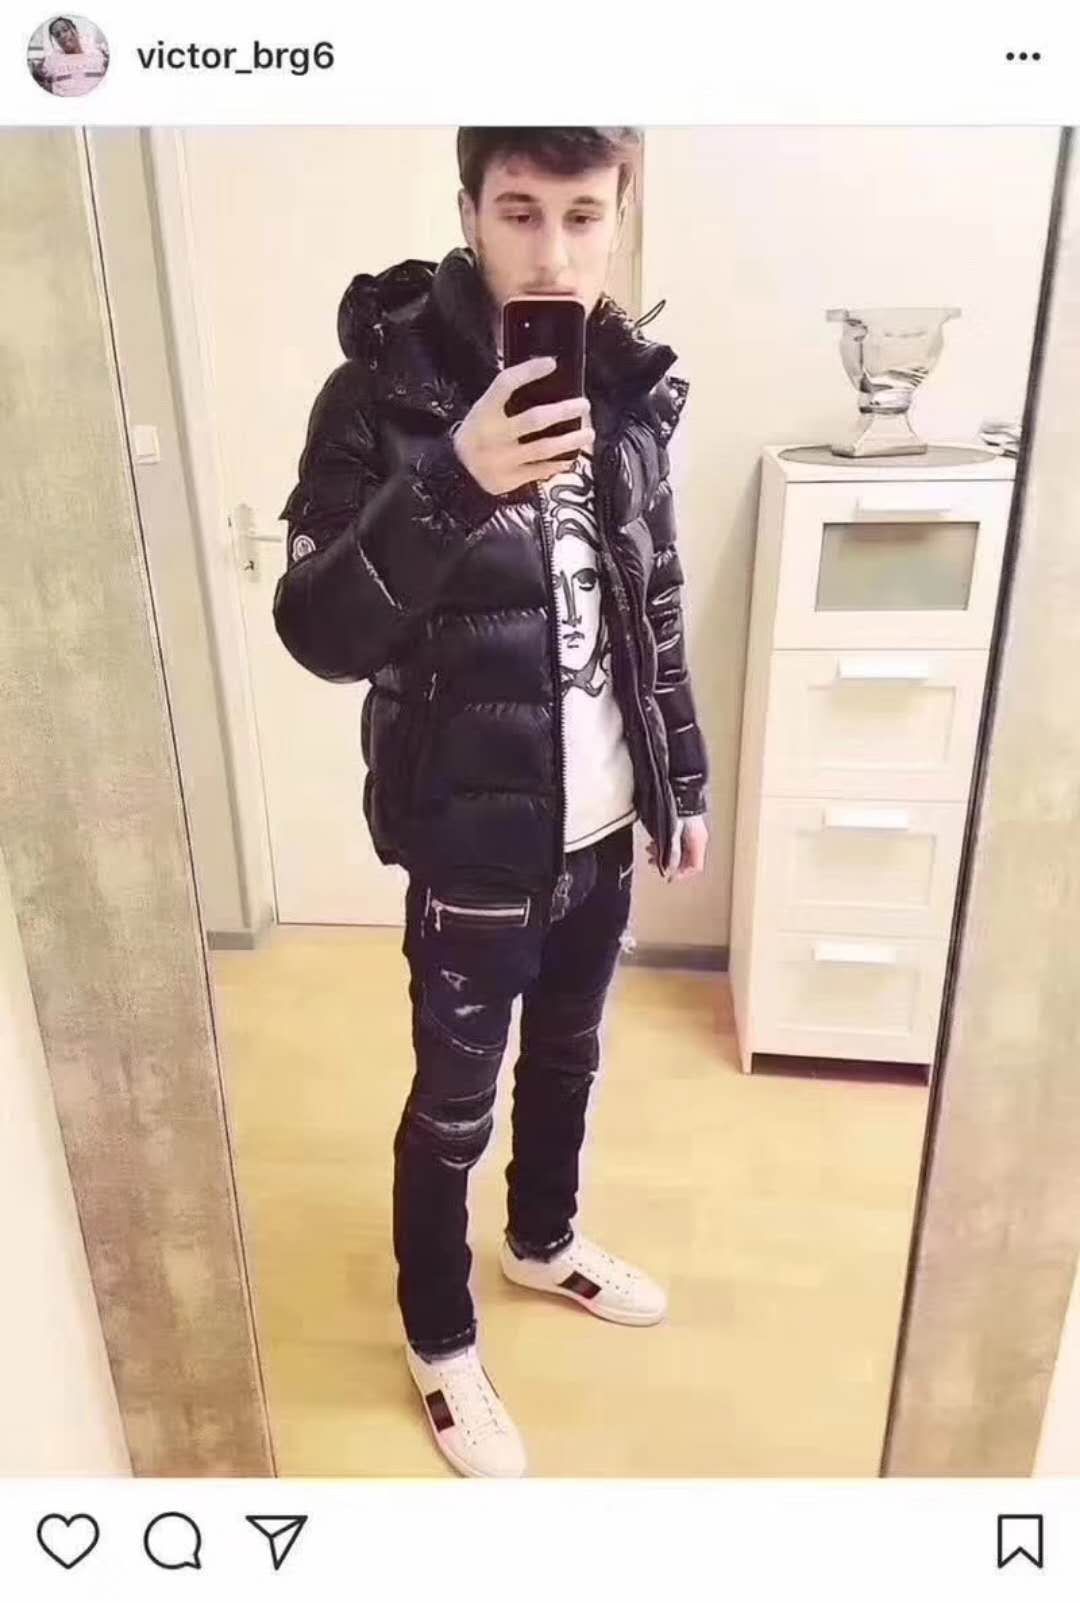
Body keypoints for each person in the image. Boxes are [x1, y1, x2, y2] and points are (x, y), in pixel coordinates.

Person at [273, 127, 710, 1477]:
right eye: (521, 212)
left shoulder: (625, 389)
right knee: (455, 1101)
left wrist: (680, 778)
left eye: (585, 214)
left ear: (621, 215)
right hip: (471, 837)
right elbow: (317, 627)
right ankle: (440, 1334)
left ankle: (541, 1239)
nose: (556, 254)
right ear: (468, 211)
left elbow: (653, 605)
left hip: (604, 828)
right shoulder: (378, 395)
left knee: (569, 1056)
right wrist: (453, 480)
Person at [32, 16, 108, 96]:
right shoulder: (51, 61)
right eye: (57, 35)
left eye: (65, 30)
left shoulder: (97, 55)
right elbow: (38, 76)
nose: (62, 36)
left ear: (75, 30)